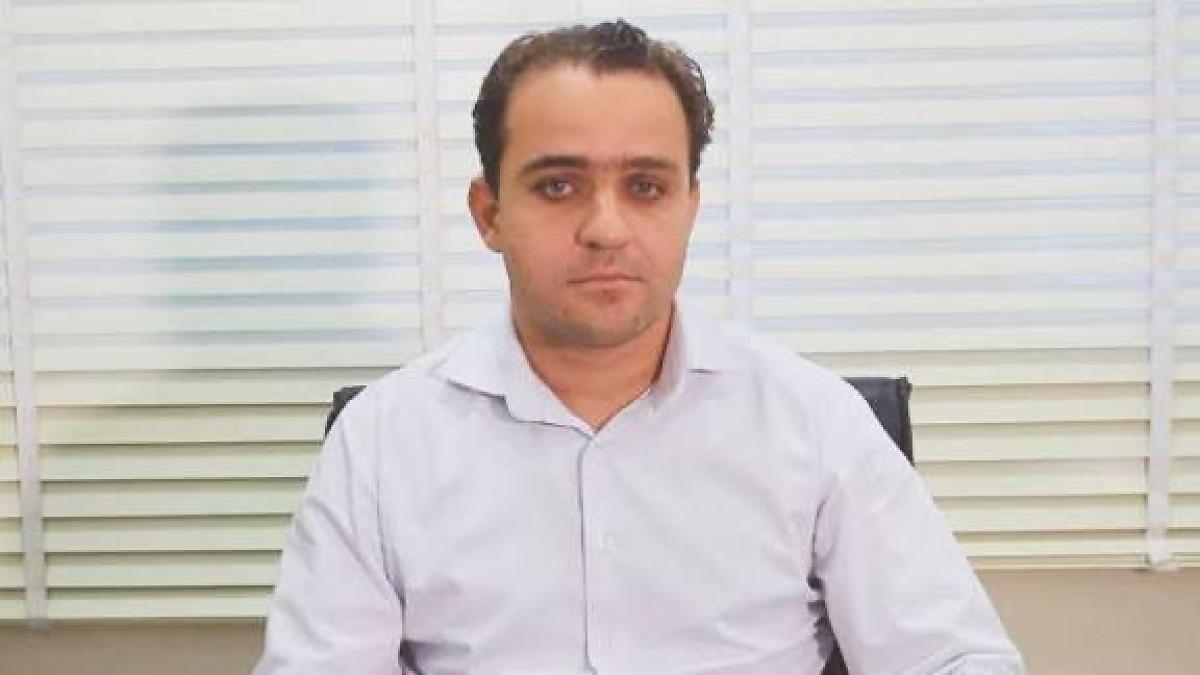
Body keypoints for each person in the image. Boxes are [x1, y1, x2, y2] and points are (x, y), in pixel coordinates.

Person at [253, 20, 1025, 675]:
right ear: (490, 213)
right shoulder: (384, 440)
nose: (606, 228)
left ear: (689, 205)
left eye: (646, 187)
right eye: (558, 185)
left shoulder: (815, 421)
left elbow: (954, 659)